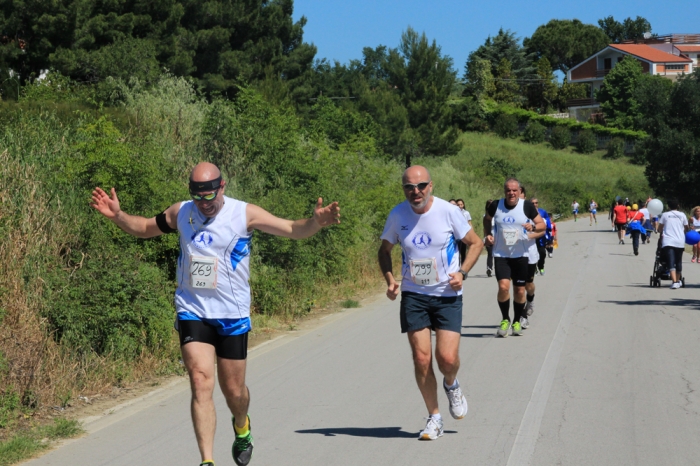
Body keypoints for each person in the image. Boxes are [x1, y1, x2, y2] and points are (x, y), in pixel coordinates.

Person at [91, 162, 341, 466]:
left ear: (222, 186)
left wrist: (315, 223)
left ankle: (242, 425)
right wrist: (117, 216)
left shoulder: (243, 213)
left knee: (234, 391)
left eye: (209, 197)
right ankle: (207, 461)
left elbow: (291, 229)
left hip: (232, 314)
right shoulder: (182, 212)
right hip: (192, 310)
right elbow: (145, 228)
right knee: (200, 380)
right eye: (198, 198)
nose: (204, 205)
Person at [378, 166, 482, 440]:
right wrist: (390, 279)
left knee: (446, 359)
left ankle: (452, 383)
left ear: (431, 186)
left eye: (421, 186)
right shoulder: (397, 214)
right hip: (414, 294)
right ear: (403, 189)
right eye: (409, 187)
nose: (416, 192)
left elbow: (475, 243)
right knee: (421, 358)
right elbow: (385, 250)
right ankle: (434, 417)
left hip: (447, 294)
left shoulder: (449, 211)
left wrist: (462, 273)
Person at [483, 178, 545, 337]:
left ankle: (517, 320)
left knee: (519, 291)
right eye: (508, 190)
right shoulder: (496, 205)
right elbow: (487, 219)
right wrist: (488, 235)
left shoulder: (527, 206)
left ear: (519, 191)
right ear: (505, 191)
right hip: (501, 255)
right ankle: (505, 319)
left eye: (514, 190)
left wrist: (533, 226)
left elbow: (542, 225)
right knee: (503, 287)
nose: (511, 193)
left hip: (520, 255)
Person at [520, 190, 546, 329]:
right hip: (513, 254)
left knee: (528, 285)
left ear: (524, 196)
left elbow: (542, 229)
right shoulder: (507, 212)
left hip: (529, 253)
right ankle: (522, 316)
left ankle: (531, 299)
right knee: (518, 287)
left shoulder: (531, 212)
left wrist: (529, 235)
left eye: (519, 194)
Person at [657, 199, 690, 289]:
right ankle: (677, 281)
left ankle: (675, 282)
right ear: (678, 205)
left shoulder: (665, 215)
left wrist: (660, 230)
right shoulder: (682, 215)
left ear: (668, 206)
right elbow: (686, 227)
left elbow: (660, 228)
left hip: (668, 241)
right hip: (680, 241)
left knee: (670, 261)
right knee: (678, 261)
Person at [456, 199, 472, 263]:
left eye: (461, 204)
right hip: (456, 235)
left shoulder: (466, 213)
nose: (460, 206)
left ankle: (463, 268)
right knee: (457, 252)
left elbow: (469, 223)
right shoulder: (454, 212)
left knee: (463, 252)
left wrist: (470, 234)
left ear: (463, 205)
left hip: (464, 235)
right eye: (458, 205)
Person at [484, 200, 495, 277]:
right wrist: (485, 237)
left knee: (497, 255)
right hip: (489, 237)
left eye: (492, 204)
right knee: (490, 253)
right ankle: (489, 268)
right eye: (489, 204)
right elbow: (485, 228)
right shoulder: (485, 216)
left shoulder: (498, 215)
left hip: (497, 237)